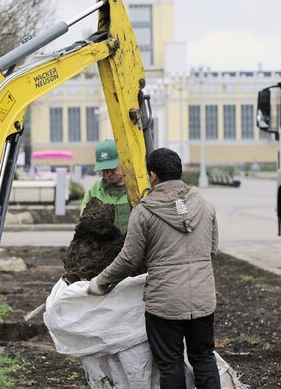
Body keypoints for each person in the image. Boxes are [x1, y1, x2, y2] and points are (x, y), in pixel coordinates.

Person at [87, 147, 221, 389]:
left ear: (153, 176)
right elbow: (211, 250)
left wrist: (100, 281)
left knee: (171, 364)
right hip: (203, 300)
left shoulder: (144, 212)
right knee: (203, 358)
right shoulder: (206, 207)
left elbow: (129, 259)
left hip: (165, 305)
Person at [80, 139, 131, 234]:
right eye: (103, 170)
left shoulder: (140, 186)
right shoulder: (94, 190)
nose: (107, 174)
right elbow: (84, 224)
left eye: (111, 168)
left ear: (123, 160)